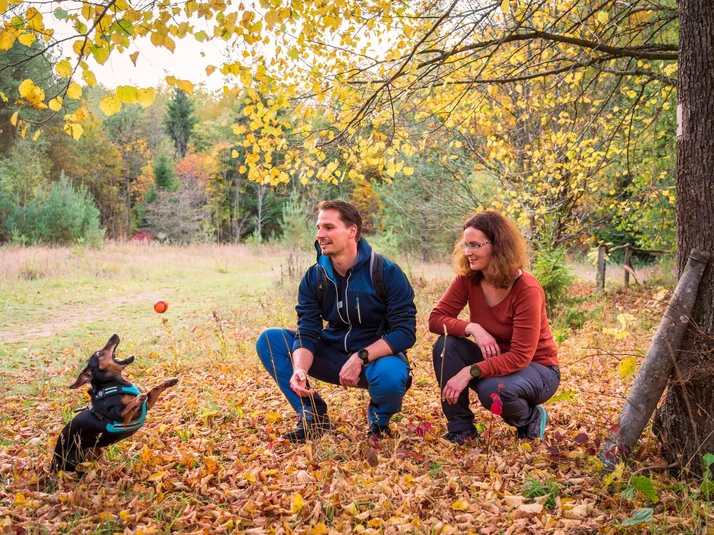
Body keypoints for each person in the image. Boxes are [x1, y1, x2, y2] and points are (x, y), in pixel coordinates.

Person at [256, 200, 417, 442]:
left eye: (329, 227)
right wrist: (299, 368)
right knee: (270, 340)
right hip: (333, 355)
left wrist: (361, 356)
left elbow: (405, 333)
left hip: (375, 361)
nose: (320, 234)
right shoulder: (315, 276)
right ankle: (313, 416)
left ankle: (379, 421)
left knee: (391, 375)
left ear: (352, 231)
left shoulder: (385, 272)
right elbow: (307, 330)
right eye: (319, 228)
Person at [429, 211, 560, 444]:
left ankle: (529, 418)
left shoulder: (526, 289)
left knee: (494, 389)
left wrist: (469, 371)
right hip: (496, 359)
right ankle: (461, 429)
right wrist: (473, 327)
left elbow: (520, 356)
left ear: (498, 245)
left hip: (537, 369)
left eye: (475, 245)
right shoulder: (468, 279)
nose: (467, 252)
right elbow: (436, 319)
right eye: (465, 245)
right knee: (445, 345)